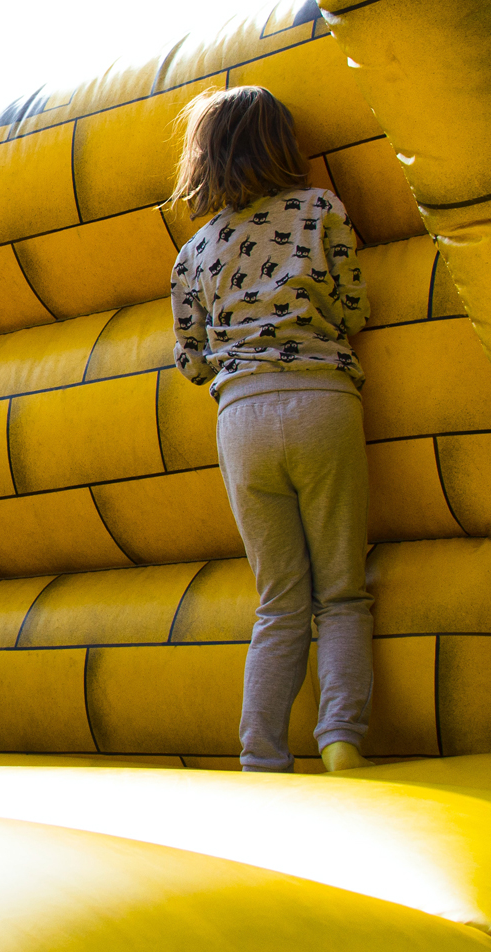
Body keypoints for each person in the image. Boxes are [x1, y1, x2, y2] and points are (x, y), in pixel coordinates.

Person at [168, 85, 373, 774]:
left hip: (243, 418)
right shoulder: (321, 211)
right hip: (322, 398)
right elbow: (353, 305)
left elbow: (192, 360)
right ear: (285, 146)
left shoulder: (194, 253)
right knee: (341, 589)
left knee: (279, 600)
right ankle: (341, 736)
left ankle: (261, 757)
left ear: (205, 160)